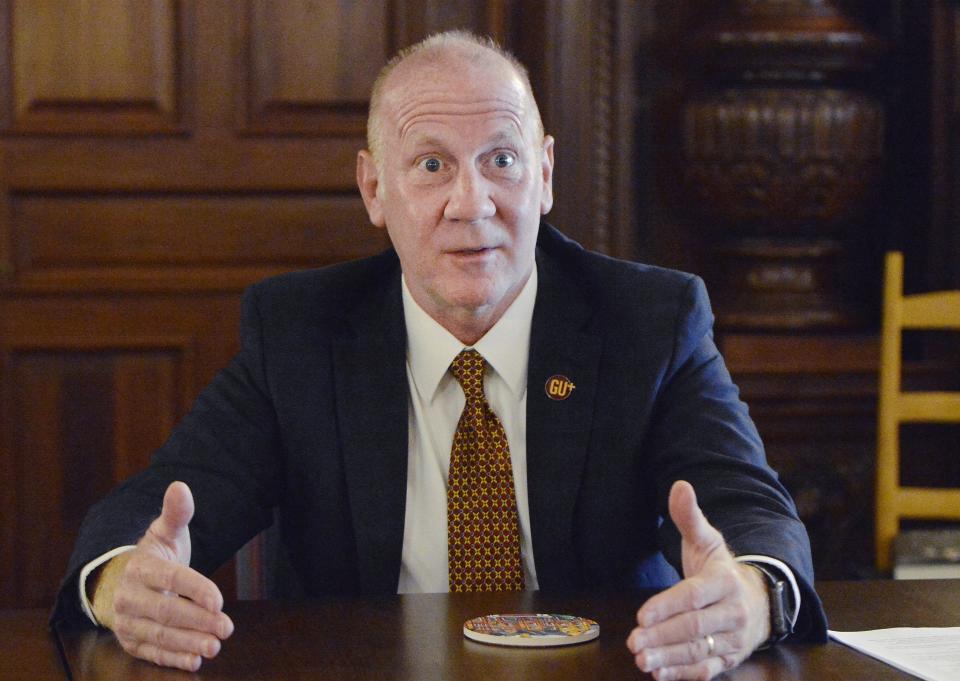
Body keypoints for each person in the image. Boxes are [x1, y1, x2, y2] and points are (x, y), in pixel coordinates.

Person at [52, 30, 827, 680]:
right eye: (431, 165)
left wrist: (749, 596)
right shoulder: (301, 333)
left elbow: (753, 511)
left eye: (502, 160)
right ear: (373, 189)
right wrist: (125, 579)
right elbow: (153, 508)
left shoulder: (649, 322)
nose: (473, 203)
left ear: (546, 173)